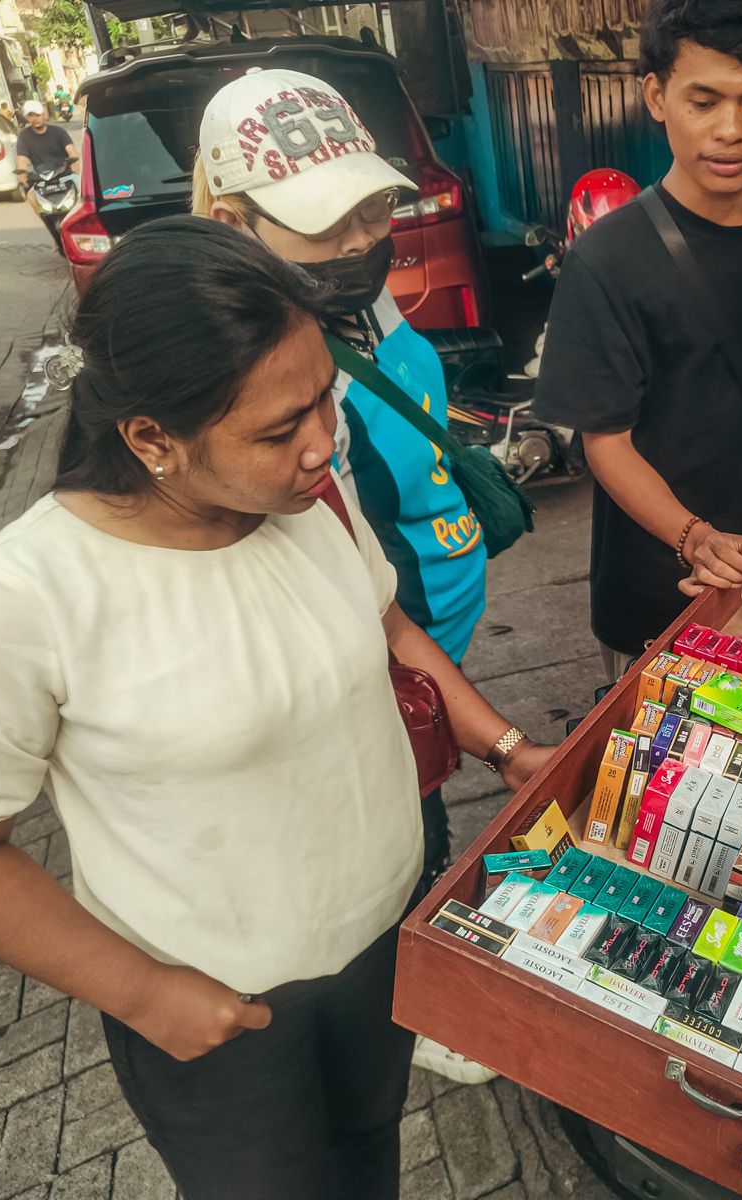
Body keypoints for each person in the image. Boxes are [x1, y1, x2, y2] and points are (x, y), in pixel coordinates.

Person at [0, 217, 547, 1199]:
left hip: (382, 941)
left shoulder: (310, 502)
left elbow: (388, 627)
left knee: (370, 1153)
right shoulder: (26, 596)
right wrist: (142, 993)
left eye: (323, 397)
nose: (325, 443)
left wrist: (504, 745)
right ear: (152, 438)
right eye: (281, 429)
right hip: (222, 1011)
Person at [192, 69, 530, 1082]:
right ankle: (409, 1000)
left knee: (416, 797)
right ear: (228, 219)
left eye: (369, 206)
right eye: (318, 219)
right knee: (395, 819)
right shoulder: (239, 367)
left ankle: (410, 955)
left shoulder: (355, 297)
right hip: (367, 647)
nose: (355, 238)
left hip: (422, 627)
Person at [532, 0, 742, 681]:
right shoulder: (609, 259)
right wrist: (694, 537)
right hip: (662, 584)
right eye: (704, 102)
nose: (732, 131)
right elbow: (606, 443)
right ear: (657, 95)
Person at [15, 100, 77, 247]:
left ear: (44, 115)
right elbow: (21, 160)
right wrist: (22, 177)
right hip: (42, 179)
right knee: (31, 197)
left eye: (36, 115)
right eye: (30, 116)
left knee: (82, 193)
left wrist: (75, 166)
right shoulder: (24, 137)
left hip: (65, 175)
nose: (34, 119)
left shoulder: (59, 132)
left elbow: (72, 151)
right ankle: (53, 232)